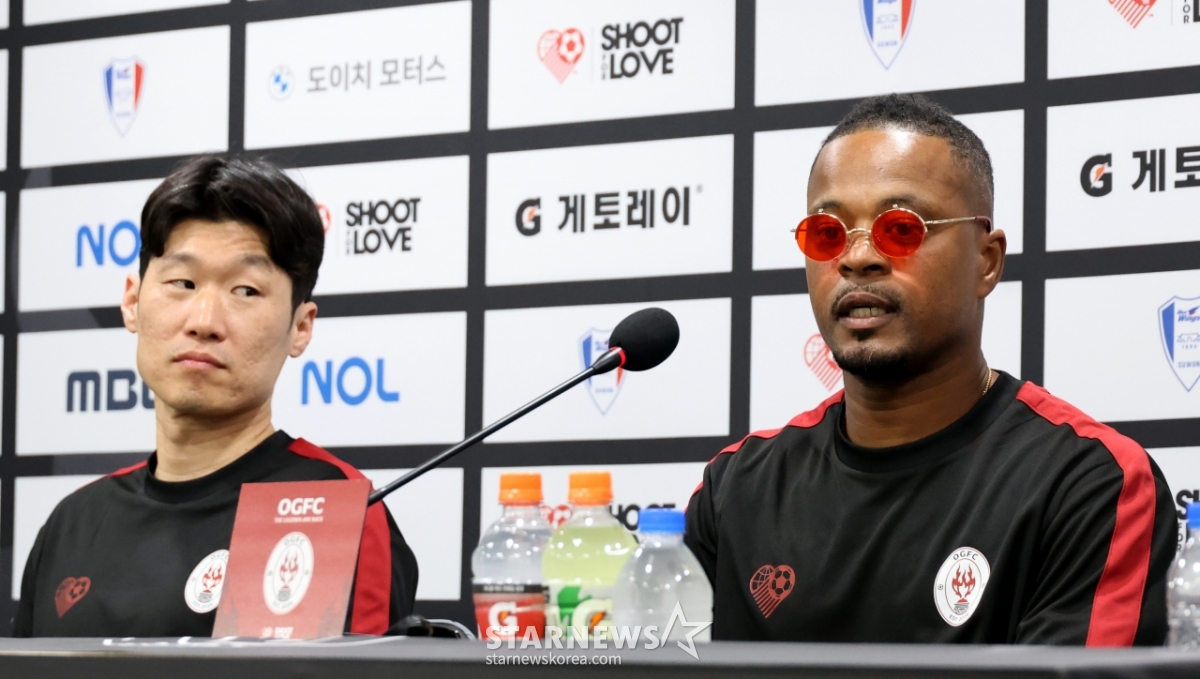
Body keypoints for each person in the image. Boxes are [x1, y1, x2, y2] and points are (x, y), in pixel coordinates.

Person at [685, 94, 1175, 645]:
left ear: (986, 262)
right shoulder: (735, 488)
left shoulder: (1090, 485)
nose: (857, 258)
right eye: (828, 234)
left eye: (901, 228)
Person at [13, 156, 418, 637]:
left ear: (301, 326)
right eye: (182, 283)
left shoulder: (333, 509)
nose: (204, 321)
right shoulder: (73, 523)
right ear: (132, 301)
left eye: (245, 291)